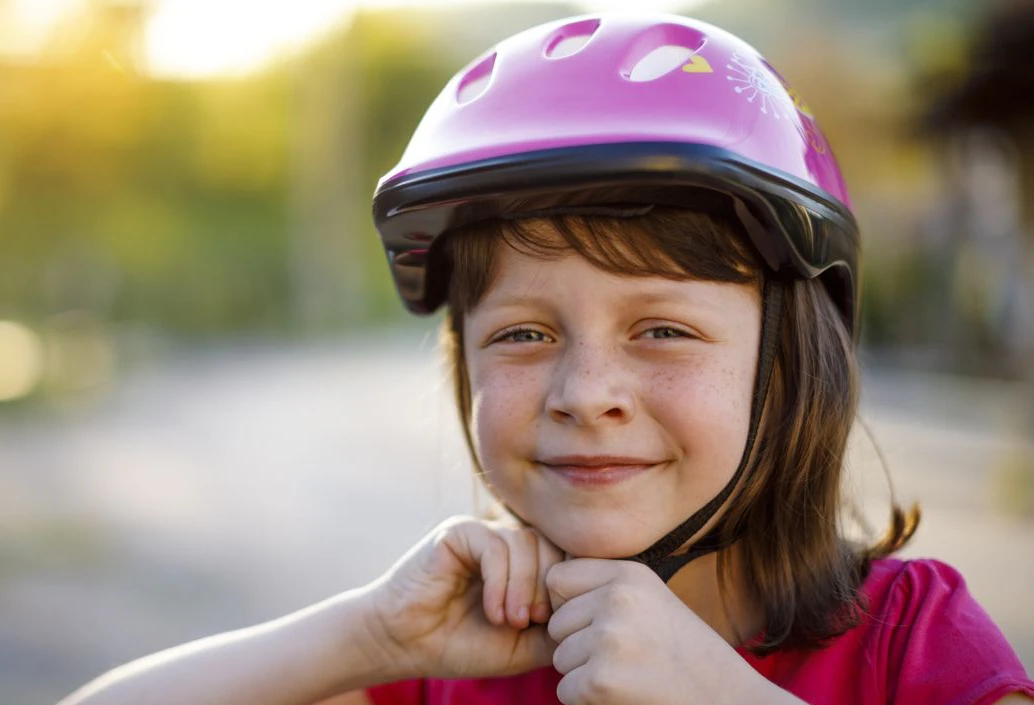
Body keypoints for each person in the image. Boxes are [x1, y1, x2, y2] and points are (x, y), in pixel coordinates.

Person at [59, 13, 1034, 705]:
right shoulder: (452, 659)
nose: (585, 394)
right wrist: (371, 634)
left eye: (662, 329)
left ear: (790, 363)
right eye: (523, 335)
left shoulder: (913, 647)